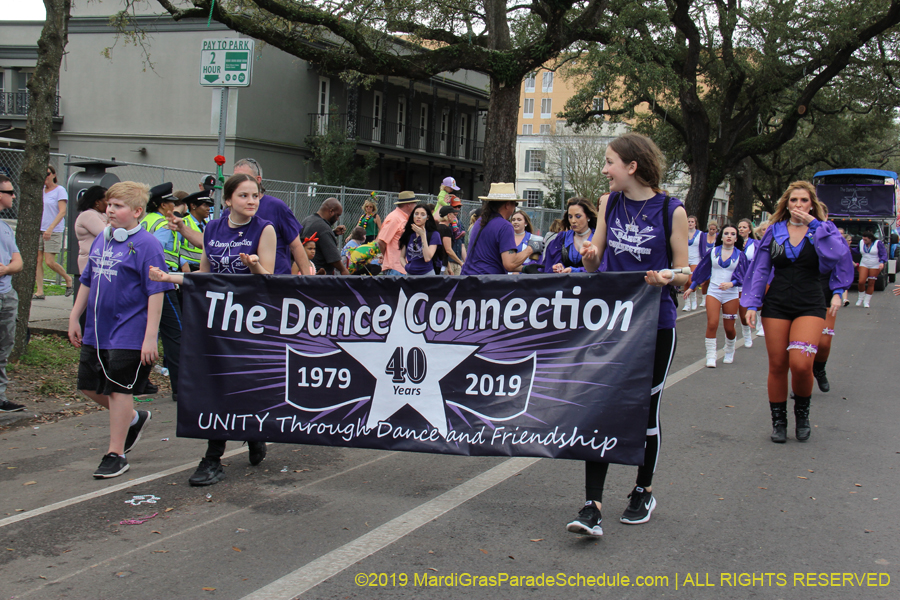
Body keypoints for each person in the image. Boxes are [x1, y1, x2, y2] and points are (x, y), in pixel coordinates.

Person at [573, 132, 690, 536]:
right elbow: (594, 265)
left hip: (655, 322)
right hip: (610, 321)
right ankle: (592, 504)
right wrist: (589, 257)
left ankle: (643, 489)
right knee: (599, 406)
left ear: (631, 166)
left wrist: (667, 277)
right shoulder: (609, 203)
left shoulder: (671, 210)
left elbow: (685, 272)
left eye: (609, 162)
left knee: (644, 410)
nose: (604, 170)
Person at [150, 173, 276, 485]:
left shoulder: (265, 229)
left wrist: (255, 266)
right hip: (218, 319)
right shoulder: (215, 228)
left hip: (251, 322)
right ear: (228, 199)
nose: (251, 202)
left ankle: (242, 436)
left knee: (239, 384)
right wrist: (170, 279)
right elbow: (205, 275)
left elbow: (271, 282)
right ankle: (214, 456)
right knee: (217, 385)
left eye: (255, 196)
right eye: (244, 196)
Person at [68, 181, 172, 478]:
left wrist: (150, 337)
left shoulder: (147, 246)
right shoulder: (103, 237)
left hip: (129, 331)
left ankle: (116, 454)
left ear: (137, 211)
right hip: (98, 329)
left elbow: (156, 292)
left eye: (118, 206)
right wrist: (75, 316)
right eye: (109, 205)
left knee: (118, 388)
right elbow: (87, 279)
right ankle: (133, 418)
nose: (110, 210)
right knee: (89, 386)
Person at [740, 181, 853, 444]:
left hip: (810, 303)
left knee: (801, 365)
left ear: (811, 204)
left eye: (803, 200)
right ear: (786, 204)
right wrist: (753, 303)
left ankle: (802, 415)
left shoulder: (823, 230)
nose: (798, 205)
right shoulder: (774, 230)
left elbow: (841, 255)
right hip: (777, 303)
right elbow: (761, 268)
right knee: (778, 365)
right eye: (793, 201)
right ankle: (779, 422)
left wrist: (838, 291)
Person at [167, 158, 310, 276]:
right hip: (231, 294)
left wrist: (308, 281)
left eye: (254, 196)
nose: (239, 181)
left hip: (270, 287)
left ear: (258, 180)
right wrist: (182, 229)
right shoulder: (228, 215)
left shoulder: (276, 208)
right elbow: (209, 244)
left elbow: (296, 246)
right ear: (229, 199)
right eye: (235, 178)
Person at [140, 183, 183, 402]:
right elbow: (158, 252)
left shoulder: (146, 221)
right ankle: (180, 387)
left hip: (145, 281)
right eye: (171, 203)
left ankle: (139, 382)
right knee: (175, 333)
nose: (174, 206)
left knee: (146, 332)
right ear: (163, 204)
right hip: (162, 282)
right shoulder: (162, 224)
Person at [685, 224, 748, 367]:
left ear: (736, 238)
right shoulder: (713, 252)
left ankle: (730, 349)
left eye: (732, 234)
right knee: (712, 323)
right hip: (713, 292)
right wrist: (692, 287)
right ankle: (711, 355)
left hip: (731, 294)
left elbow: (744, 275)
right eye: (726, 233)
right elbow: (703, 270)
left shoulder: (740, 256)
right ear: (722, 236)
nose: (729, 236)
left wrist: (731, 284)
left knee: (729, 328)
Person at [459, 183, 533, 275]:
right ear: (507, 205)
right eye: (515, 204)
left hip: (469, 280)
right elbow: (509, 264)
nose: (514, 208)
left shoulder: (480, 221)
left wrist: (524, 268)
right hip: (488, 283)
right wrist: (531, 249)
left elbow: (491, 259)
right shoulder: (505, 226)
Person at [0, 175, 24, 413]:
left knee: (3, 348)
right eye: (9, 192)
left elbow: (18, 263)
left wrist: (6, 268)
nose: (13, 196)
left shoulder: (5, 228)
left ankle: (0, 397)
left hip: (6, 294)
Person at [35, 165, 74, 299]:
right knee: (38, 259)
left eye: (47, 174)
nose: (45, 177)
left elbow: (62, 211)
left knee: (49, 262)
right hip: (40, 228)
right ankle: (40, 291)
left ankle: (68, 280)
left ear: (53, 175)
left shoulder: (60, 190)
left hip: (53, 229)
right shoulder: (41, 190)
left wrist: (50, 228)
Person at [541, 198, 597, 274]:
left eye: (578, 216)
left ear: (588, 217)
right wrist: (558, 267)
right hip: (565, 284)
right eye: (570, 217)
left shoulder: (598, 238)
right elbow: (548, 265)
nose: (573, 221)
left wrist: (576, 270)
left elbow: (603, 267)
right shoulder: (561, 238)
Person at [299, 198, 350, 275]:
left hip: (305, 273)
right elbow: (333, 257)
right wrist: (343, 270)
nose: (337, 219)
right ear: (331, 211)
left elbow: (316, 239)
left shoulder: (308, 220)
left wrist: (333, 233)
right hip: (319, 276)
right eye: (337, 215)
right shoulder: (323, 228)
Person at [377, 191, 419, 276]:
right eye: (414, 203)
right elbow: (381, 241)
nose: (416, 206)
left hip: (401, 267)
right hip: (395, 268)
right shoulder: (394, 218)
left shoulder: (402, 217)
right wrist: (388, 257)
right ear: (409, 205)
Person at [398, 203, 443, 275]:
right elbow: (401, 257)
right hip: (410, 274)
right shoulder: (408, 234)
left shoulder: (434, 234)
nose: (418, 217)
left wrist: (423, 235)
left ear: (427, 217)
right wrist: (406, 267)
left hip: (427, 274)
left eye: (422, 214)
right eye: (416, 214)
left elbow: (427, 258)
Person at [74, 185, 108, 275]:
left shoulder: (102, 215)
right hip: (90, 261)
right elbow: (106, 233)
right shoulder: (88, 215)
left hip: (100, 260)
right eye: (107, 200)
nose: (109, 204)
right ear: (97, 202)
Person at [178, 189, 214, 272]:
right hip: (188, 268)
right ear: (193, 205)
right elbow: (176, 248)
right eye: (205, 205)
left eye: (209, 206)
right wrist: (183, 263)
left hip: (203, 269)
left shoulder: (208, 226)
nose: (209, 209)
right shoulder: (183, 223)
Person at [736, 218, 758, 346]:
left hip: (748, 281)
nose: (741, 230)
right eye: (739, 227)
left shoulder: (755, 244)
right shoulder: (733, 243)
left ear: (749, 230)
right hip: (734, 281)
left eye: (744, 227)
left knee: (743, 309)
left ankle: (747, 334)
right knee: (732, 312)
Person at [854, 230, 887, 308]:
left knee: (871, 282)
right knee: (861, 281)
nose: (864, 241)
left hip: (875, 264)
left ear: (870, 239)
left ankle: (866, 301)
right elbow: (857, 250)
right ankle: (860, 298)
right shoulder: (861, 242)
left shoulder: (878, 243)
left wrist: (882, 262)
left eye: (866, 240)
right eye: (863, 239)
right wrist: (849, 249)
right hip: (864, 263)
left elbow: (883, 253)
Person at [682, 215, 707, 311]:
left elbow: (703, 248)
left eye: (692, 222)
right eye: (688, 221)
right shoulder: (683, 233)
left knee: (691, 280)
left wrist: (703, 262)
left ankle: (694, 300)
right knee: (684, 280)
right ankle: (686, 303)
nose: (690, 223)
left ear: (695, 223)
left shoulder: (701, 234)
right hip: (685, 259)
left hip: (696, 259)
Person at [509, 209, 541, 274]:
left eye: (519, 220)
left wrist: (519, 270)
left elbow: (536, 262)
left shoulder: (534, 239)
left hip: (525, 278)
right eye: (513, 220)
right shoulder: (505, 238)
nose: (515, 222)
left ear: (526, 223)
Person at [437, 206, 465, 275]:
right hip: (440, 265)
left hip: (439, 263)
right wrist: (460, 262)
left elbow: (443, 251)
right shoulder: (446, 229)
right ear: (448, 215)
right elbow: (448, 250)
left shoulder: (437, 227)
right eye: (453, 214)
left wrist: (449, 267)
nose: (455, 217)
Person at [697, 220, 719, 308]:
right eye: (710, 229)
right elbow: (700, 246)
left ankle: (714, 298)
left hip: (714, 260)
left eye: (714, 229)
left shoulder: (718, 237)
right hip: (705, 259)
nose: (712, 231)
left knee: (712, 280)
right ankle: (703, 298)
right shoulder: (704, 236)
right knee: (704, 281)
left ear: (716, 230)